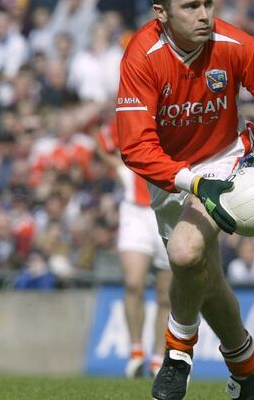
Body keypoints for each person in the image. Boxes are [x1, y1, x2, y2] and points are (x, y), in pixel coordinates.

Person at [115, 0, 254, 400]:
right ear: (161, 13)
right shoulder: (141, 57)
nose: (204, 14)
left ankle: (177, 354)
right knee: (205, 279)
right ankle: (246, 364)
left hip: (229, 157)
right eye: (190, 6)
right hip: (173, 173)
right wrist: (193, 184)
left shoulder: (234, 44)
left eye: (208, 2)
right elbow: (135, 147)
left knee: (185, 254)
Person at [97, 118, 172, 378]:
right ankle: (136, 351)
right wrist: (120, 168)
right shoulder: (134, 114)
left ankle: (158, 357)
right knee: (133, 282)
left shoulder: (178, 114)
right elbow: (103, 141)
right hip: (136, 211)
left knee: (165, 294)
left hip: (169, 207)